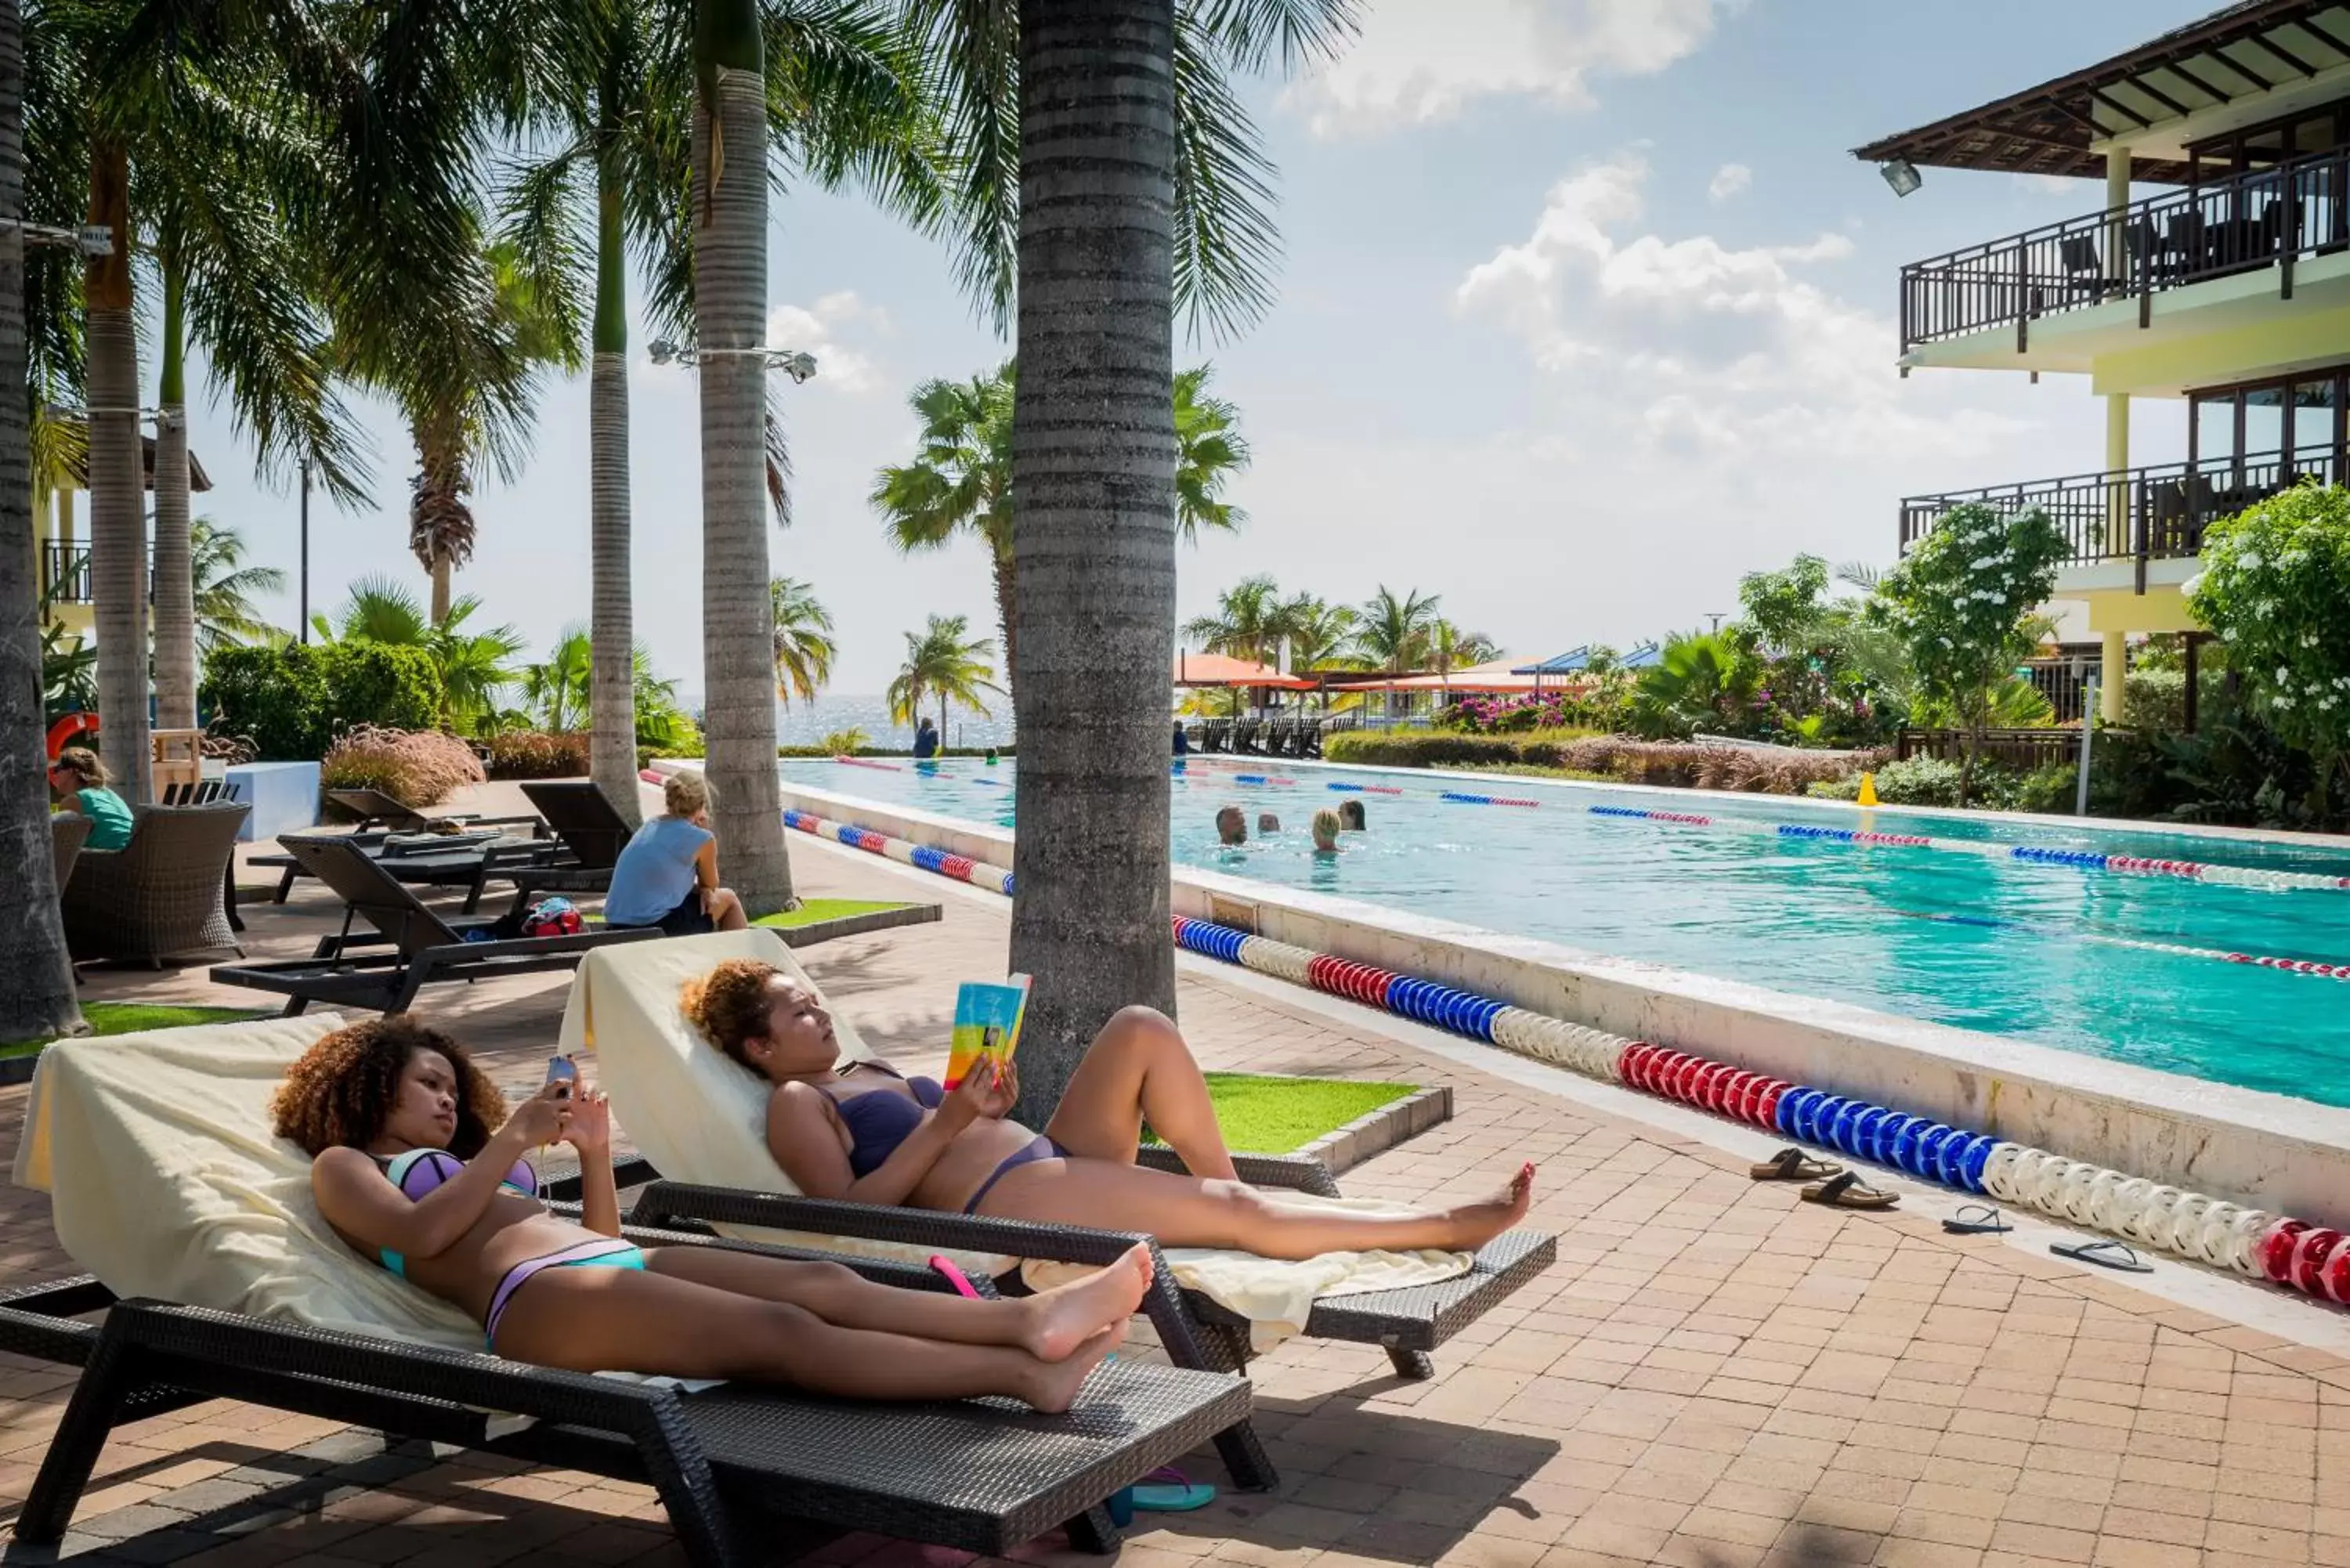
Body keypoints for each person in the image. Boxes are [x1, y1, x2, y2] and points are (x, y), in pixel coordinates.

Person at [281, 1016, 1147, 1407]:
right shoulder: (345, 1165)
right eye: (426, 1080)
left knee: (823, 1279)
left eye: (448, 1083)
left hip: (596, 1267)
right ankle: (1024, 1374)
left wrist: (590, 1153)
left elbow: (601, 1238)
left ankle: (1028, 1319)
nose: (444, 1098)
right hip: (534, 1301)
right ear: (367, 1083)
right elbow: (422, 1234)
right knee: (785, 1333)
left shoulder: (472, 1162)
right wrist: (509, 1139)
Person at [682, 961, 1535, 1259]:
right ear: (759, 1048)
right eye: (797, 1013)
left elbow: (953, 1130)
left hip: (1042, 1157)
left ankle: (1234, 1212)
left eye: (812, 999)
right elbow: (844, 1215)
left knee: (1139, 1028)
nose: (819, 1013)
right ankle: (1442, 1224)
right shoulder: (797, 1101)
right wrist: (948, 1122)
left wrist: (985, 1101)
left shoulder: (861, 1064)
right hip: (1005, 1205)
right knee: (1235, 1212)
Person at [604, 771, 746, 935]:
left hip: (616, 926)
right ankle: (739, 960)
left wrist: (704, 890)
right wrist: (704, 829)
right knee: (729, 899)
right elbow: (711, 885)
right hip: (658, 927)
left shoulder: (650, 825)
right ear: (701, 806)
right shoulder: (702, 837)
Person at [48, 746, 132, 850]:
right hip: (131, 856)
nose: (55, 775)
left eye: (57, 769)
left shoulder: (73, 801)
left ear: (71, 771)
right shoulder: (111, 795)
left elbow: (63, 848)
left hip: (107, 860)